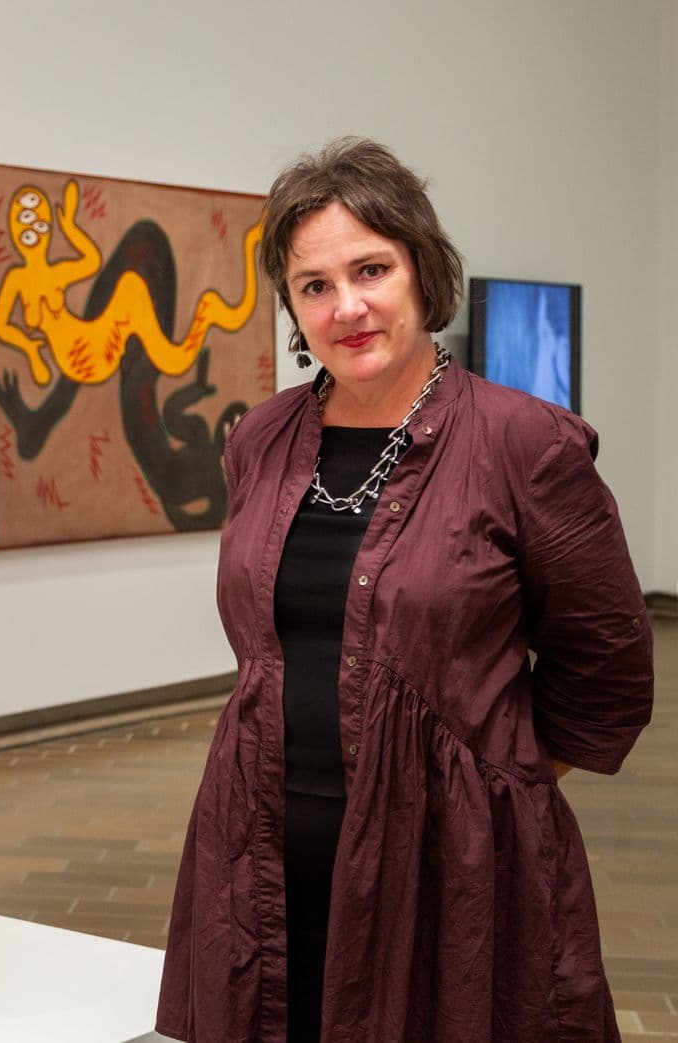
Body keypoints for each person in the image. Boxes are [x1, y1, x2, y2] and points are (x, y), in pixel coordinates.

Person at [154, 137, 653, 1042]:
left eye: (371, 269)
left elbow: (609, 666)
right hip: (262, 839)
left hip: (448, 859)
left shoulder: (525, 444)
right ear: (292, 308)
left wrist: (491, 779)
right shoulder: (260, 439)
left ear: (423, 271)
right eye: (314, 285)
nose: (346, 306)